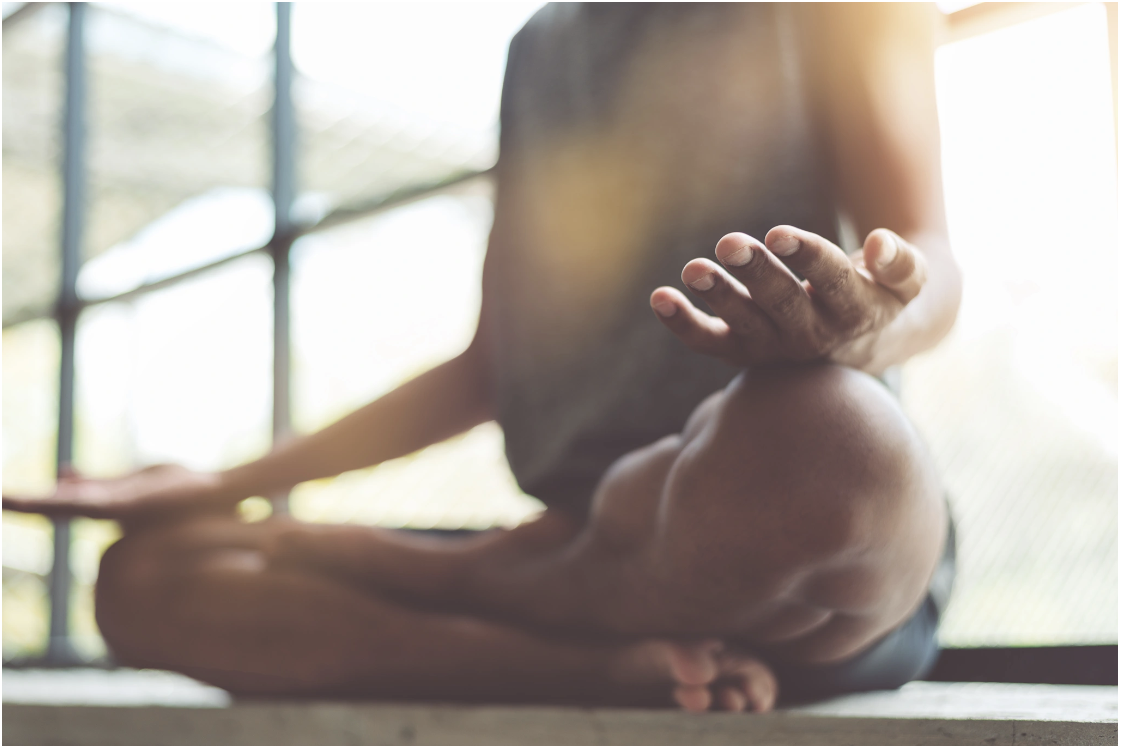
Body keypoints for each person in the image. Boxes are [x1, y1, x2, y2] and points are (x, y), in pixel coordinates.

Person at [3, 3, 961, 711]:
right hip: (580, 548)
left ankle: (483, 591)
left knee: (835, 443)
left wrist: (864, 327)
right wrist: (224, 485)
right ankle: (603, 672)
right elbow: (489, 363)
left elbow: (935, 269)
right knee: (147, 582)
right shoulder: (542, 47)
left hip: (761, 547)